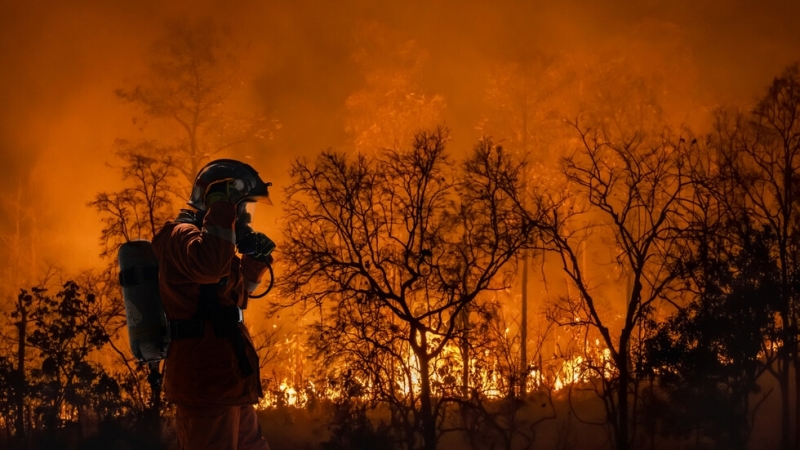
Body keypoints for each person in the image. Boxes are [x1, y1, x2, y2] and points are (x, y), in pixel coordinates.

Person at [152, 159, 276, 450]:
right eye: (241, 206)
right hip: (204, 382)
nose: (244, 217)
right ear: (216, 200)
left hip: (228, 380)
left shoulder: (210, 242)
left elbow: (230, 304)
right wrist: (222, 211)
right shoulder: (180, 236)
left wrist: (254, 265)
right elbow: (209, 269)